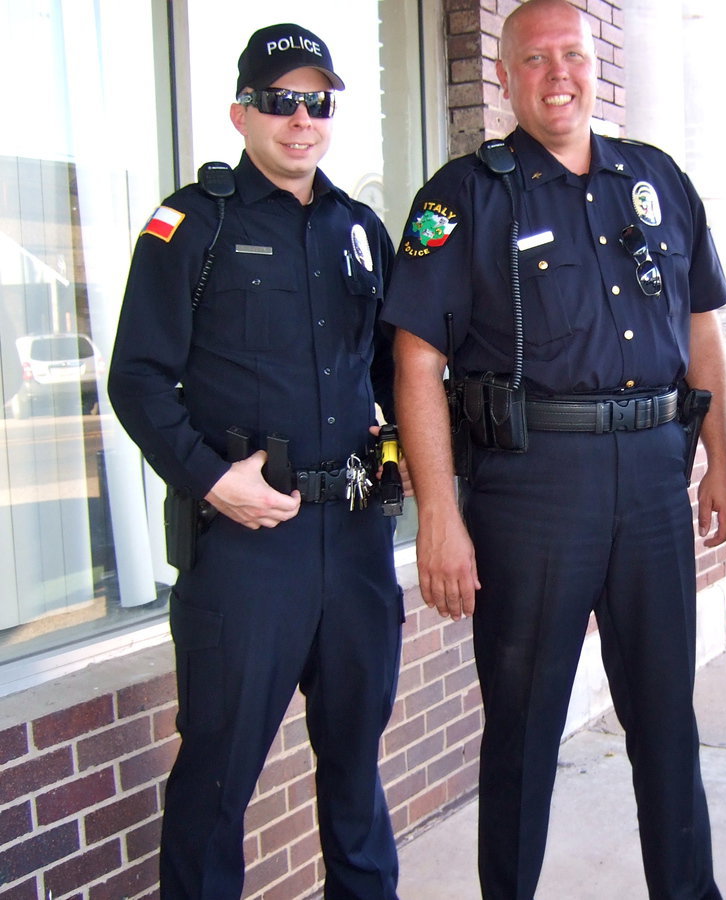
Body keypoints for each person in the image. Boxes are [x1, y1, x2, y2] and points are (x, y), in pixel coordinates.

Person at [383, 1, 726, 897]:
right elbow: (416, 361)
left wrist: (719, 461)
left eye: (572, 55)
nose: (558, 76)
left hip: (654, 479)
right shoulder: (464, 195)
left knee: (667, 722)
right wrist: (437, 516)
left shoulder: (657, 180)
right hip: (532, 488)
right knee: (524, 731)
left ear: (595, 65)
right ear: (504, 77)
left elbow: (702, 327)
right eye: (535, 59)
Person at [107, 24, 403, 899]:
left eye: (317, 102)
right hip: (246, 550)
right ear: (242, 113)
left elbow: (390, 376)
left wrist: (408, 462)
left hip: (354, 542)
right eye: (281, 101)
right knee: (215, 783)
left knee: (355, 773)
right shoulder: (192, 224)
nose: (301, 119)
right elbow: (137, 378)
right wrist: (209, 479)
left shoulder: (360, 230)